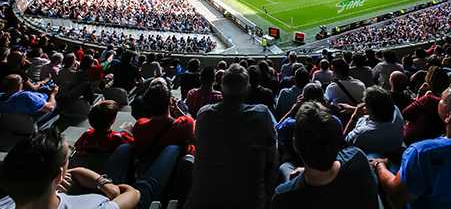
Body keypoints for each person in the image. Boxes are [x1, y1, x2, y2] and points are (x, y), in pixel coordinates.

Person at [0, 127, 179, 209]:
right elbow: (133, 194)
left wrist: (101, 184)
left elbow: (72, 174)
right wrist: (110, 187)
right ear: (58, 175)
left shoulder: (9, 200)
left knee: (124, 148)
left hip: (101, 194)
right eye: (69, 154)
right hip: (123, 199)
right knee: (169, 153)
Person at [185, 64, 277, 209]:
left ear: (221, 88)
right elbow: (271, 157)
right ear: (248, 89)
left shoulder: (204, 115)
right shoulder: (263, 114)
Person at [271, 101, 379, 209]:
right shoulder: (357, 157)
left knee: (284, 167)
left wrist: (303, 175)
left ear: (295, 145)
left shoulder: (283, 197)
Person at [342, 86, 404, 155]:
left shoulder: (362, 134)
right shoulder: (396, 111)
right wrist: (353, 108)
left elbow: (344, 141)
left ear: (370, 111)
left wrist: (354, 117)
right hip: (393, 149)